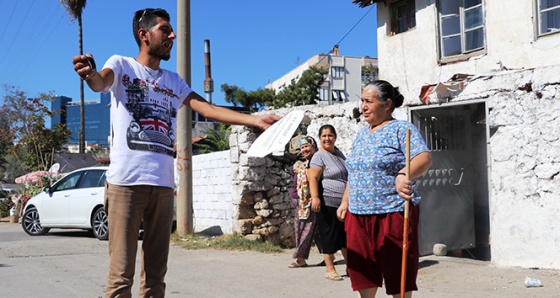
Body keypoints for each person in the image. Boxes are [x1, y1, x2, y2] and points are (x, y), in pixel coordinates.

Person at [72, 8, 280, 297]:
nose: (172, 35)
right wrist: (91, 73)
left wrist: (255, 119)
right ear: (144, 35)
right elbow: (101, 82)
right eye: (164, 29)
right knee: (121, 277)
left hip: (162, 185)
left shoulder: (173, 81)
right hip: (125, 185)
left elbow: (207, 108)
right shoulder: (121, 65)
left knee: (156, 278)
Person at [337, 80, 432, 298]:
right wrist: (345, 201)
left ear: (387, 104)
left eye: (368, 101)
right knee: (363, 271)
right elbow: (355, 171)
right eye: (362, 101)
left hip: (392, 211)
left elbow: (424, 158)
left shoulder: (402, 129)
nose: (363, 106)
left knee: (398, 271)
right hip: (358, 214)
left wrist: (403, 174)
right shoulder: (361, 134)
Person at [307, 125, 348, 281]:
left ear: (335, 137)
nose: (327, 139)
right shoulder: (319, 156)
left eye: (330, 135)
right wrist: (315, 197)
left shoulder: (339, 154)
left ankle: (350, 268)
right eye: (324, 136)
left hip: (343, 203)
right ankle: (330, 269)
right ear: (319, 138)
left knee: (345, 237)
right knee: (328, 236)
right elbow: (313, 178)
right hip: (327, 202)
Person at [288, 136, 322, 268]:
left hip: (309, 202)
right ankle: (328, 254)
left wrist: (303, 170)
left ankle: (300, 258)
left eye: (307, 146)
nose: (304, 149)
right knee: (317, 230)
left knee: (303, 229)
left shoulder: (315, 162)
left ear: (313, 146)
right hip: (300, 200)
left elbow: (314, 178)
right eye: (302, 147)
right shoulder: (305, 163)